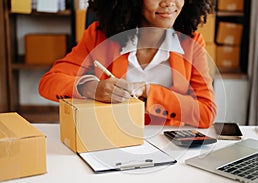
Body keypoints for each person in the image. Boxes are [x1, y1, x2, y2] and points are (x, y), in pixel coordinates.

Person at [39, 0, 217, 128]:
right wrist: (91, 88)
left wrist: (148, 91)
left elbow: (206, 113)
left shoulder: (191, 44)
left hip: (167, 144)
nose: (169, 3)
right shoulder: (99, 36)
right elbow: (49, 82)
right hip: (110, 136)